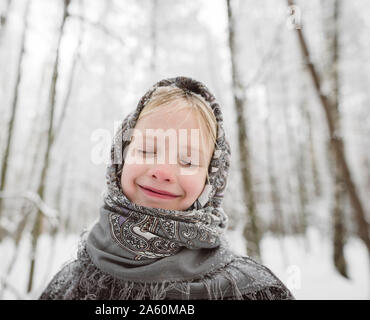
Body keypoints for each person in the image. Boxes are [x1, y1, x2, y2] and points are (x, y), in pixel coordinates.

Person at [39, 76, 294, 300]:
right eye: (147, 151)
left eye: (187, 161)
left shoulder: (256, 291)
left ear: (211, 181)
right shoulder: (67, 285)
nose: (162, 171)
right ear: (121, 159)